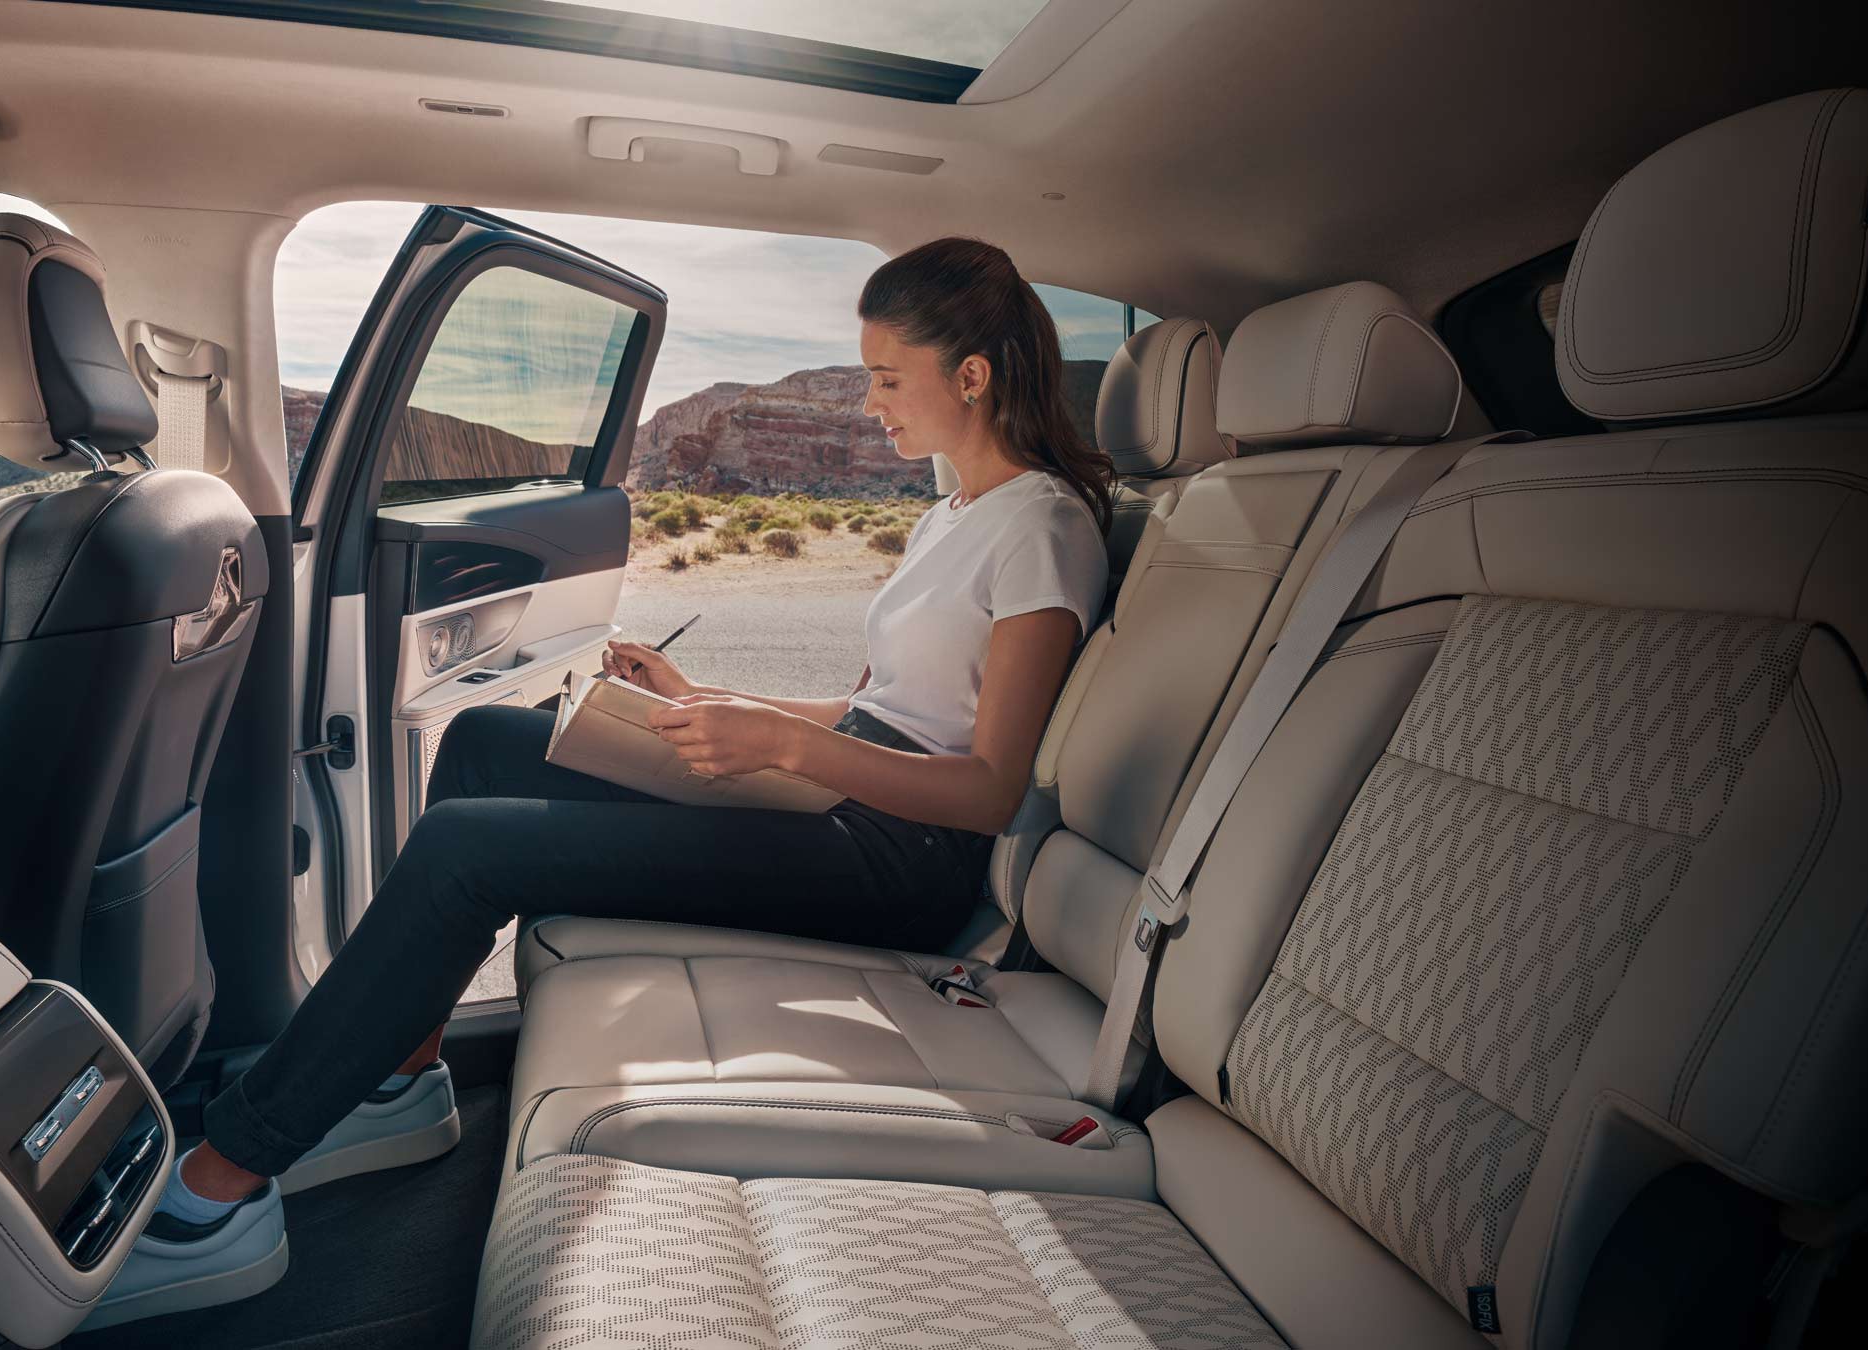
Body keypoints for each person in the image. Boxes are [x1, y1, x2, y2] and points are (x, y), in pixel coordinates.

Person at [95, 237, 1114, 1319]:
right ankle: (400, 1072)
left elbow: (987, 788)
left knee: (467, 852)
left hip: (902, 858)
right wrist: (706, 700)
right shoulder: (953, 515)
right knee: (485, 738)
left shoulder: (1042, 527)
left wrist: (783, 749)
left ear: (972, 375)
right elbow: (876, 710)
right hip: (844, 797)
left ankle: (220, 1189)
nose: (870, 405)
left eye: (888, 379)